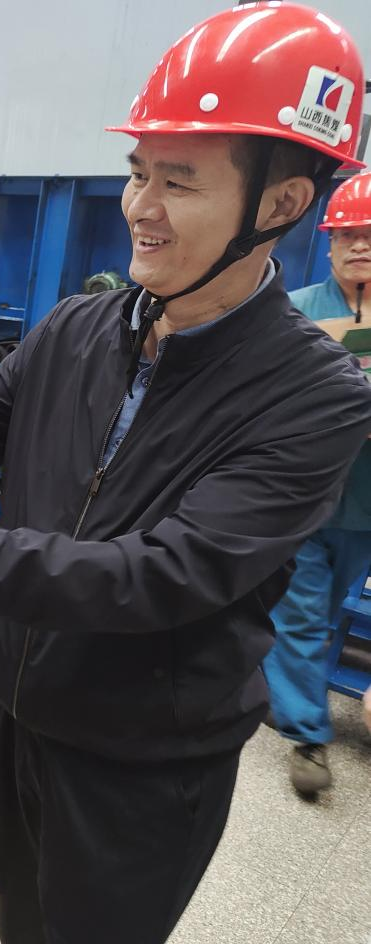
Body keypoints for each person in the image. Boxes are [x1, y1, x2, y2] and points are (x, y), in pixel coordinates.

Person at [0, 6, 370, 943]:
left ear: (280, 205)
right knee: (19, 911)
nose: (139, 206)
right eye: (137, 171)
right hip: (11, 711)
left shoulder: (313, 395)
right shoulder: (77, 327)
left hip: (139, 762)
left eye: (178, 181)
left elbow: (167, 573)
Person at [262, 172, 371, 797]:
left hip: (367, 506)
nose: (358, 245)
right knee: (301, 612)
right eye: (346, 234)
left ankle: (278, 684)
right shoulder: (295, 309)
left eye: (370, 235)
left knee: (322, 613)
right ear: (329, 244)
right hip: (302, 499)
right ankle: (307, 735)